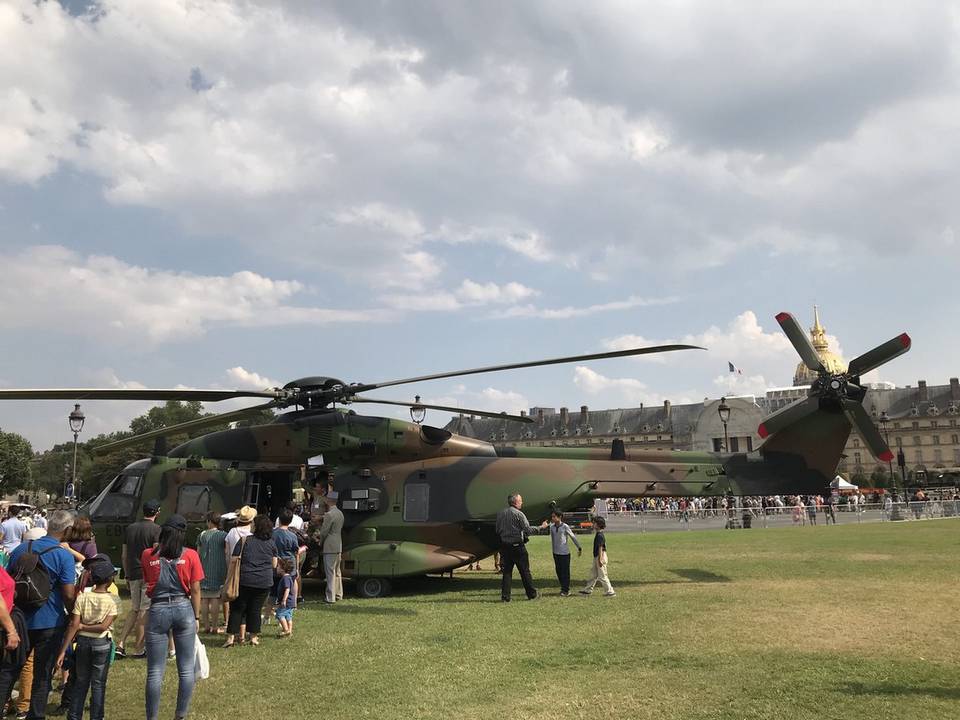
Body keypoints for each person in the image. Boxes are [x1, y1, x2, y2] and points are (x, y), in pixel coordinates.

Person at [7, 510, 76, 719]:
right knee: (42, 675)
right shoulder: (63, 555)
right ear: (67, 530)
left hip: (19, 620)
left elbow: (10, 584)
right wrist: (74, 613)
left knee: (9, 672)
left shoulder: (20, 549)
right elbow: (67, 592)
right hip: (50, 621)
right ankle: (36, 715)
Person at [141, 514, 203, 720]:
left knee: (155, 671)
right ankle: (180, 715)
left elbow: (147, 580)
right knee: (185, 669)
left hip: (158, 608)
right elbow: (195, 589)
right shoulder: (191, 555)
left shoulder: (148, 555)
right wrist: (197, 616)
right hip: (183, 607)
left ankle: (152, 717)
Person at [54, 558, 117, 720]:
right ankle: (97, 717)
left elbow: (73, 625)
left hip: (82, 644)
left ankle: (74, 716)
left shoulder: (82, 597)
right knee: (98, 684)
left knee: (81, 682)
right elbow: (104, 627)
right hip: (102, 644)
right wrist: (86, 627)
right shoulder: (113, 600)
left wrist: (63, 651)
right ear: (110, 580)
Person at [115, 500, 161, 659]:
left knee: (134, 609)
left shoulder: (130, 528)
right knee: (144, 610)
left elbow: (124, 554)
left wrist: (126, 574)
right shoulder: (156, 529)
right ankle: (139, 648)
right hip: (148, 574)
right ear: (157, 513)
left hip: (133, 572)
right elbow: (156, 554)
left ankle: (120, 643)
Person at [223, 515, 277, 648]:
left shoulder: (244, 540)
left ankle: (231, 638)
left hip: (245, 579)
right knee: (255, 609)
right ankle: (253, 637)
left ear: (256, 527)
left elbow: (234, 559)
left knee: (237, 609)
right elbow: (274, 564)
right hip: (264, 581)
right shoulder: (271, 543)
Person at [495, 493, 537, 602]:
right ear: (515, 502)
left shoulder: (500, 514)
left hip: (505, 547)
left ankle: (505, 597)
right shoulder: (519, 514)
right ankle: (531, 594)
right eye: (520, 500)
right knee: (525, 571)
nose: (522, 502)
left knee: (507, 572)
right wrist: (542, 527)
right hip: (518, 547)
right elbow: (528, 530)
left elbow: (497, 530)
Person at [196, 513, 226, 635]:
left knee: (204, 599)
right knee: (215, 598)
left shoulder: (202, 535)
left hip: (203, 568)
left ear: (209, 521)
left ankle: (206, 625)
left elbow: (198, 553)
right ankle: (214, 626)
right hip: (218, 568)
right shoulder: (223, 535)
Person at [543, 510, 582, 596]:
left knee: (565, 572)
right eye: (552, 516)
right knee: (558, 571)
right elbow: (553, 539)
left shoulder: (565, 526)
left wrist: (579, 547)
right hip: (556, 553)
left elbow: (572, 536)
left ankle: (566, 590)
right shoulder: (552, 527)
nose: (552, 518)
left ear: (560, 517)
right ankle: (563, 587)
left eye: (554, 516)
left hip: (564, 553)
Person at [314, 493, 343, 604]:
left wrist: (320, 541)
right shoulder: (340, 513)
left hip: (330, 545)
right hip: (338, 544)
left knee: (330, 572)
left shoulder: (329, 515)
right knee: (337, 571)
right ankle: (338, 594)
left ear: (329, 500)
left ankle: (330, 597)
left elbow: (324, 531)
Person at [271, 509, 300, 608]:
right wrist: (297, 568)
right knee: (289, 586)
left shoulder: (272, 533)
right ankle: (291, 605)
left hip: (277, 564)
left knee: (274, 590)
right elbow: (296, 552)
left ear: (279, 519)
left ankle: (270, 610)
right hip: (289, 564)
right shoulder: (292, 535)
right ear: (290, 521)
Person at [579, 516, 615, 597]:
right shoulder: (599, 534)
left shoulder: (600, 535)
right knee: (593, 574)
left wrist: (600, 558)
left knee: (602, 575)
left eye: (594, 523)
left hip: (600, 556)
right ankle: (588, 590)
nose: (593, 524)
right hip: (597, 556)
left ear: (598, 525)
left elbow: (601, 547)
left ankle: (610, 591)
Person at [273, 558, 295, 638]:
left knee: (280, 614)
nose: (277, 568)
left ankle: (286, 630)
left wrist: (284, 600)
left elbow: (287, 589)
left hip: (286, 601)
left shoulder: (285, 578)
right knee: (288, 616)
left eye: (278, 566)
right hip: (291, 602)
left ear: (283, 569)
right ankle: (290, 630)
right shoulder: (288, 577)